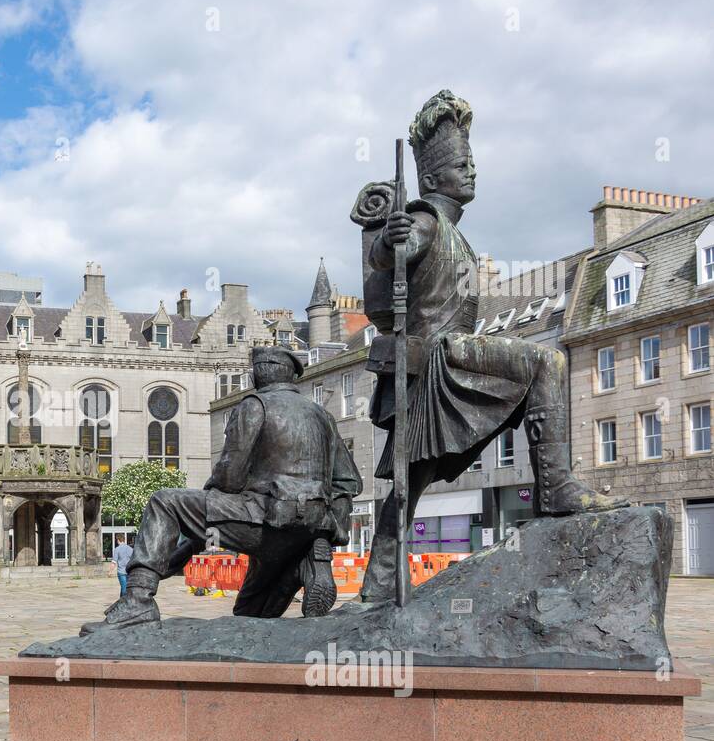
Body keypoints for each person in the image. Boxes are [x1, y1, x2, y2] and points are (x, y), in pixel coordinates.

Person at [355, 90, 625, 604]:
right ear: (433, 179)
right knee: (547, 360)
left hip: (440, 358)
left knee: (412, 479)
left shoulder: (456, 234)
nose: (473, 171)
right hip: (439, 358)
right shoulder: (428, 221)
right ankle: (556, 488)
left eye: (472, 161)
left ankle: (376, 583)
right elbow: (395, 255)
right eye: (462, 163)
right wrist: (385, 240)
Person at [83, 345, 362, 635]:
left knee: (164, 502)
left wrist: (206, 512)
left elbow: (230, 474)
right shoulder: (323, 416)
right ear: (292, 377)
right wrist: (325, 529)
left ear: (256, 376)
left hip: (264, 518)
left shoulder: (255, 405)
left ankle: (138, 599)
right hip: (306, 530)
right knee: (248, 615)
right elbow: (348, 483)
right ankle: (308, 561)